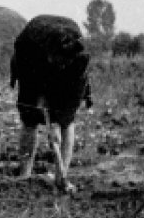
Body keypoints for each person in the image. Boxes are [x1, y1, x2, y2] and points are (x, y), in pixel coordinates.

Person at [10, 15, 93, 193]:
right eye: (58, 60)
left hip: (65, 80)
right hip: (31, 68)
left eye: (64, 62)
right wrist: (40, 101)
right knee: (30, 118)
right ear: (51, 53)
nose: (60, 63)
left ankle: (62, 177)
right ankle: (24, 177)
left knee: (67, 121)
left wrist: (58, 121)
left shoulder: (79, 62)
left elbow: (69, 107)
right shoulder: (30, 45)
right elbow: (31, 84)